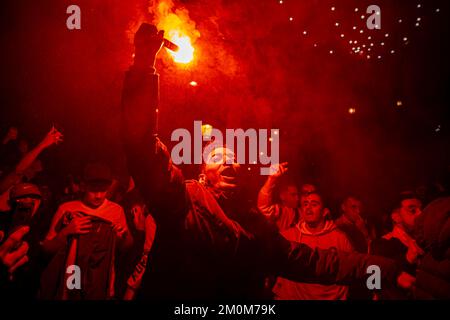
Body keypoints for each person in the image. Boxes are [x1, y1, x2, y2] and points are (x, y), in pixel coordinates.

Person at [121, 23, 412, 300]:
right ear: (202, 174)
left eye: (234, 158)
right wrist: (144, 64)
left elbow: (318, 262)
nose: (229, 162)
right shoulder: (182, 201)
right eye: (217, 157)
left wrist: (386, 269)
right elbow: (140, 143)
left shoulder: (255, 226)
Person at [40, 163, 132, 299]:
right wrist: (66, 232)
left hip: (101, 283)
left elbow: (127, 246)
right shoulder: (67, 209)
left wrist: (123, 236)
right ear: (83, 186)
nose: (99, 196)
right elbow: (46, 248)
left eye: (103, 190)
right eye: (94, 190)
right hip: (72, 281)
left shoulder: (116, 210)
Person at [273, 191, 354, 300]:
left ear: (325, 212)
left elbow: (351, 270)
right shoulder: (289, 236)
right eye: (305, 204)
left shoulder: (339, 238)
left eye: (314, 204)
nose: (308, 207)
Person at [370, 191, 424, 299]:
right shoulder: (381, 244)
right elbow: (373, 283)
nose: (420, 214)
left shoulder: (426, 241)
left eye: (421, 209)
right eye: (412, 210)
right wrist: (407, 259)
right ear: (396, 217)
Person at [257, 162, 301, 231]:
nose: (298, 198)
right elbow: (264, 207)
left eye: (298, 195)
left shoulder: (301, 211)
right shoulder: (280, 211)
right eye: (293, 195)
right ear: (282, 196)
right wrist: (271, 179)